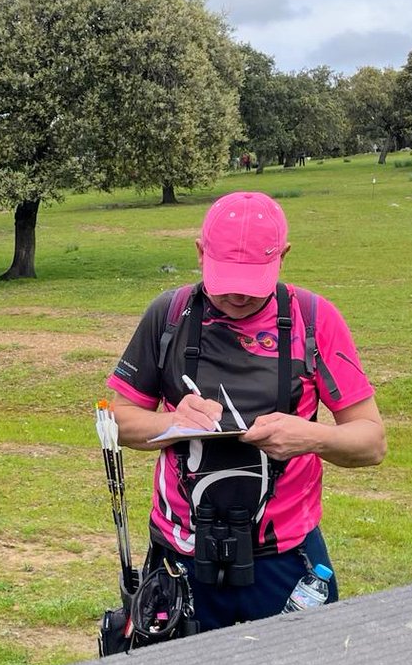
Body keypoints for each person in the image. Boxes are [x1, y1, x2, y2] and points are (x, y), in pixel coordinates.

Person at [106, 191, 386, 629]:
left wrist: (312, 438)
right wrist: (172, 423)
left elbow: (371, 441)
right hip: (180, 555)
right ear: (200, 253)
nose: (237, 295)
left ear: (284, 257)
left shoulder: (315, 319)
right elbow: (116, 421)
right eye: (226, 278)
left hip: (286, 559)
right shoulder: (169, 315)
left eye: (251, 280)